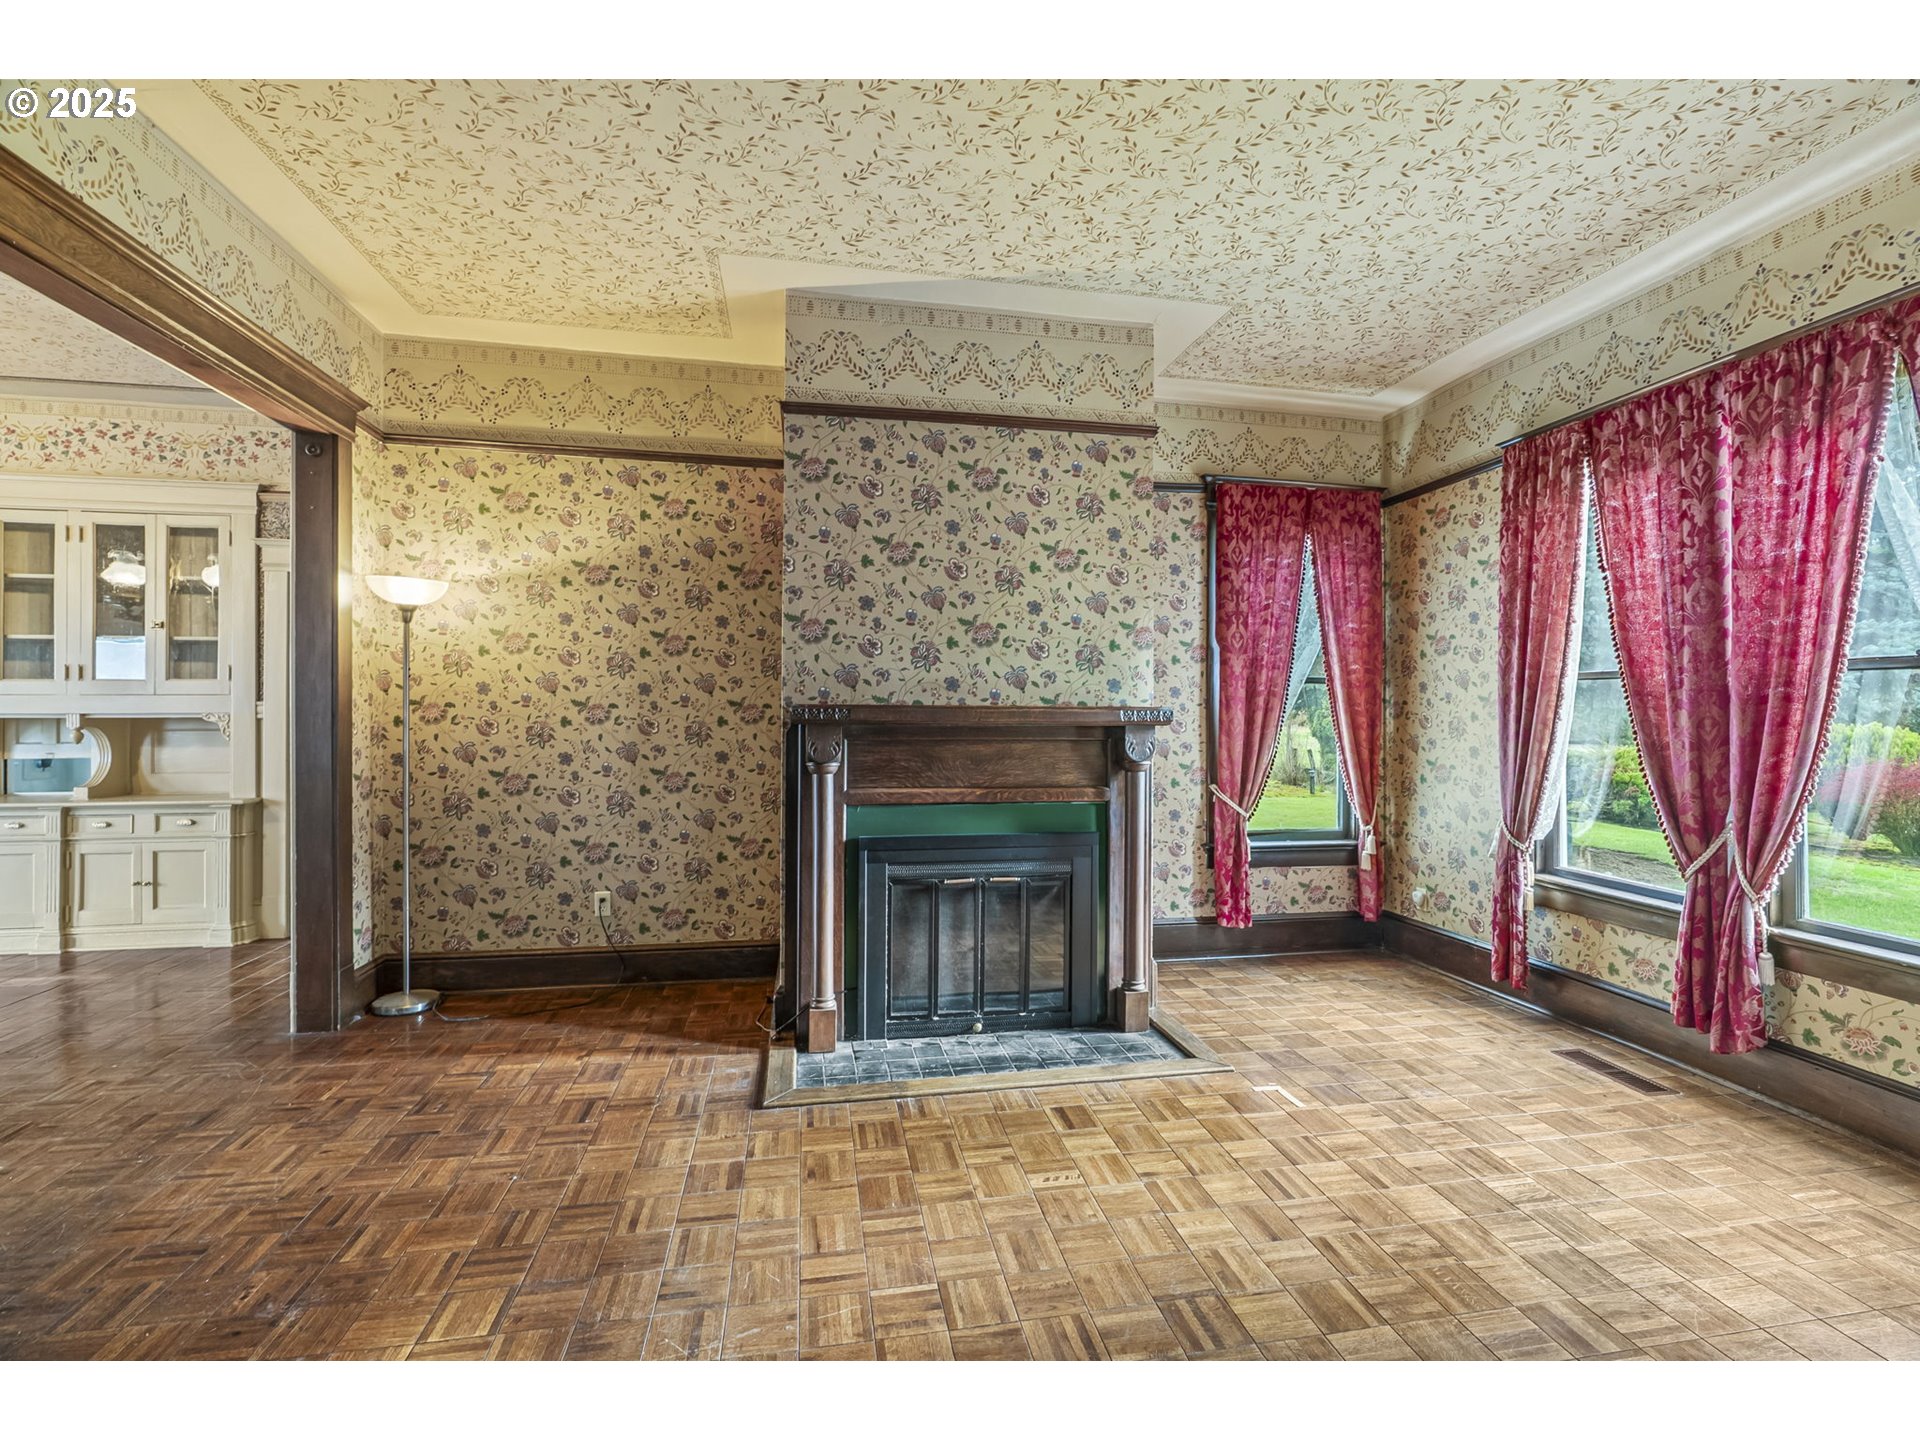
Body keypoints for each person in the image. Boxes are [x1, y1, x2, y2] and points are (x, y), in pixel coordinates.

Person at [1285, 713, 1323, 796]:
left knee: (1311, 771)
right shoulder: (1295, 732)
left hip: (1305, 751)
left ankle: (1313, 789)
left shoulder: (1304, 732)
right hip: (1300, 751)